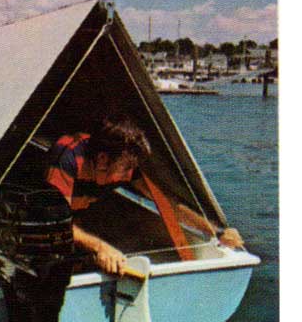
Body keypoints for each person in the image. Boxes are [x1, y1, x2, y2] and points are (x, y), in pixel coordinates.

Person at [45, 113, 243, 276]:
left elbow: (169, 205)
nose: (128, 176)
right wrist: (100, 247)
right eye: (124, 170)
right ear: (103, 160)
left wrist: (215, 231)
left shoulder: (122, 165)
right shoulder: (66, 158)